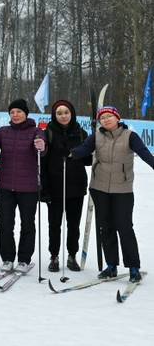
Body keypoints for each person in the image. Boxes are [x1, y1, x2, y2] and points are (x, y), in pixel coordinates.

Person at [71, 106, 154, 283]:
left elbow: (144, 153)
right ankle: (111, 266)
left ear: (117, 118)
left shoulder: (129, 136)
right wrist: (71, 153)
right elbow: (84, 149)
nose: (106, 120)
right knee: (105, 228)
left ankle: (133, 267)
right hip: (99, 188)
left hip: (122, 189)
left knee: (124, 227)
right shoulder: (97, 136)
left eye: (109, 116)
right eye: (103, 117)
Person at [0, 98, 47, 274]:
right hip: (5, 187)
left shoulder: (36, 131)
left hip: (28, 188)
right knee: (5, 224)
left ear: (26, 114)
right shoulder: (3, 131)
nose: (15, 115)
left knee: (27, 224)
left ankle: (24, 260)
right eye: (12, 112)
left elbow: (42, 152)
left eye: (19, 112)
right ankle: (7, 258)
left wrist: (42, 146)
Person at [40, 99, 88, 272]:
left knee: (73, 224)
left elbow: (88, 161)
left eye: (66, 112)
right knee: (54, 224)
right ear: (54, 115)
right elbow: (43, 162)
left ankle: (72, 255)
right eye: (59, 113)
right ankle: (54, 256)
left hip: (76, 186)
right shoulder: (48, 133)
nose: (63, 116)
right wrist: (43, 188)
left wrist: (94, 146)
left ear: (72, 113)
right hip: (54, 187)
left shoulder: (81, 133)